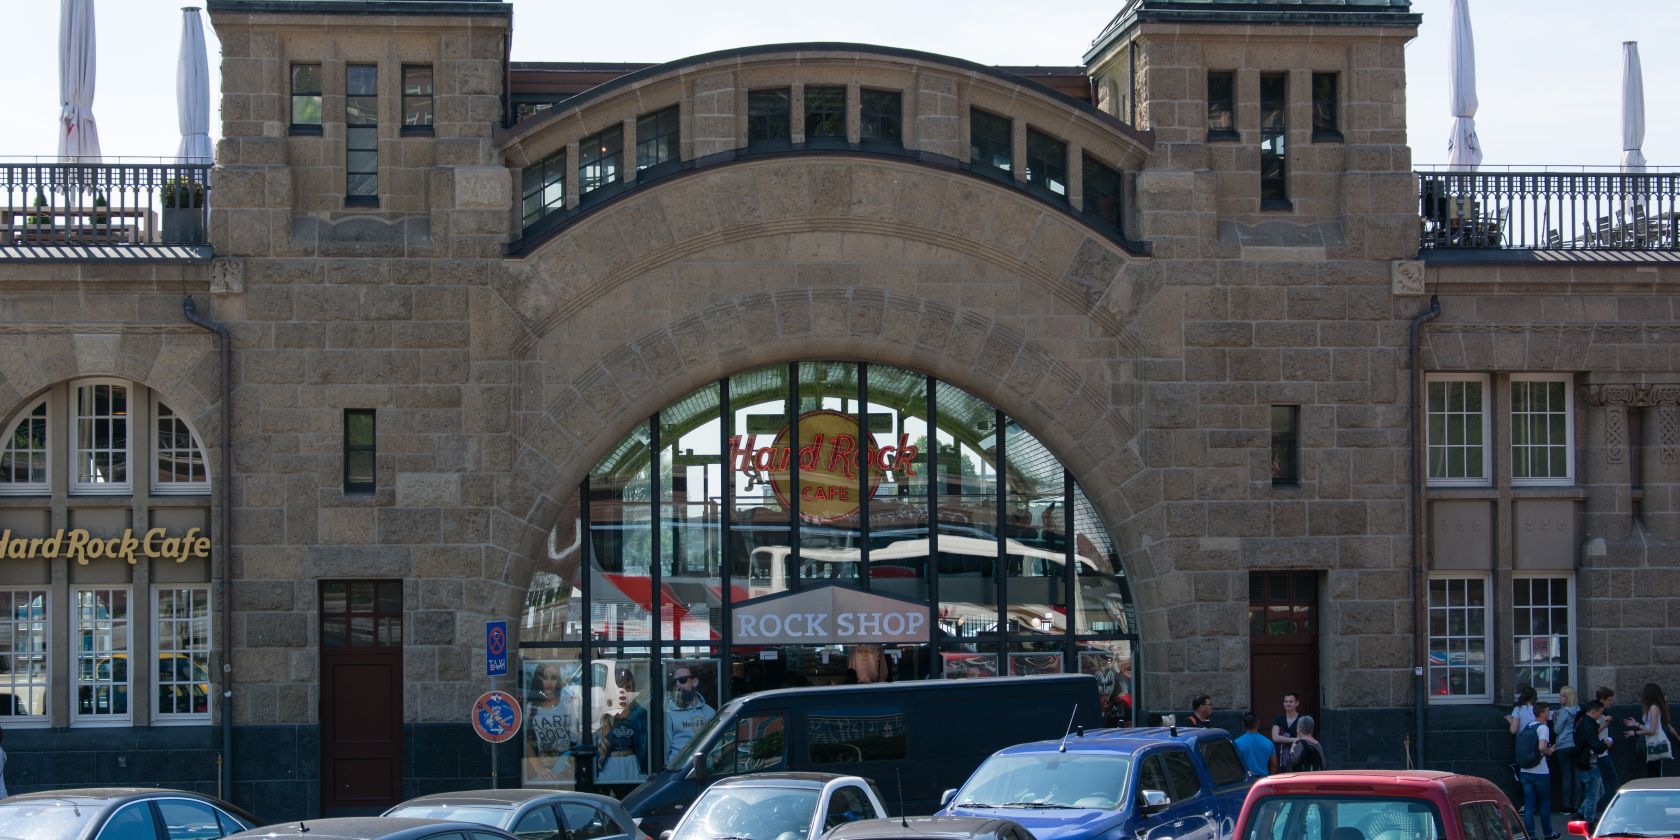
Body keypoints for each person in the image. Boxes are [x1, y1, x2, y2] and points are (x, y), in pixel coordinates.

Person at [525, 662, 580, 778]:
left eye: (554, 678)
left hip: (567, 767)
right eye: (545, 678)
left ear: (559, 681)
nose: (549, 683)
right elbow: (526, 742)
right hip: (544, 769)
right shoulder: (530, 707)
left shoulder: (568, 703)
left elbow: (576, 737)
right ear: (539, 680)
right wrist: (538, 767)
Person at [598, 668, 648, 785]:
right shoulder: (604, 714)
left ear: (633, 690)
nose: (624, 692)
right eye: (620, 687)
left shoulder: (640, 714)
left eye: (628, 688)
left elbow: (646, 748)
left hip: (633, 765)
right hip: (610, 766)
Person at [1518, 701, 1557, 840]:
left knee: (1529, 804)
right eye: (1548, 711)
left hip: (1525, 770)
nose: (1549, 713)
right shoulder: (1543, 728)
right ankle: (1548, 833)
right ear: (1542, 713)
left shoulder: (1528, 726)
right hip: (1540, 772)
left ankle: (1530, 835)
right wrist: (1549, 751)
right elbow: (1541, 747)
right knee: (1544, 803)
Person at [1623, 682, 1679, 778]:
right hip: (1649, 742)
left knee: (1654, 772)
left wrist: (1635, 733)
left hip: (1654, 743)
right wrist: (1636, 724)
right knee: (1651, 771)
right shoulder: (1649, 708)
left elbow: (1653, 730)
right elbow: (1649, 728)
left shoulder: (1653, 708)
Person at [665, 664, 716, 763]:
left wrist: (713, 761)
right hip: (680, 772)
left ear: (695, 682)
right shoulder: (669, 713)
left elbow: (716, 746)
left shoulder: (709, 711)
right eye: (674, 682)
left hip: (705, 772)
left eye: (682, 680)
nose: (678, 685)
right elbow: (665, 750)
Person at [1574, 700, 1609, 828]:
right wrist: (1606, 744)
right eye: (1600, 713)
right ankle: (1589, 821)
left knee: (1599, 791)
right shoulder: (1589, 725)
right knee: (1593, 794)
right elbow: (1596, 746)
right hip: (1589, 763)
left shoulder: (1583, 722)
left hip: (1585, 761)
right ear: (1593, 712)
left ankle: (1581, 812)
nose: (1601, 715)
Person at [1596, 687, 1622, 797]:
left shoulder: (1602, 714)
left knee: (1604, 783)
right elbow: (1592, 732)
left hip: (1602, 751)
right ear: (1602, 700)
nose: (1611, 703)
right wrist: (1605, 724)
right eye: (1609, 700)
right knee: (1613, 782)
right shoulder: (1596, 714)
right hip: (1600, 753)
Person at [1234, 712, 1275, 778]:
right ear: (1258, 724)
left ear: (1243, 725)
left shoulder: (1236, 743)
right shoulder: (1268, 743)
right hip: (1263, 781)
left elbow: (1234, 765)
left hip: (1245, 781)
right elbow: (1274, 764)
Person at [1271, 691, 1303, 769]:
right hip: (1280, 757)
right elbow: (1275, 737)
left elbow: (1301, 739)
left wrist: (1282, 739)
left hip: (1296, 756)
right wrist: (1294, 739)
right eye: (1286, 701)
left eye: (1291, 701)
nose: (1288, 704)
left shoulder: (1301, 719)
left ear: (1297, 703)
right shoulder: (1279, 718)